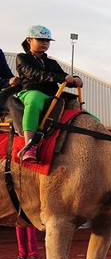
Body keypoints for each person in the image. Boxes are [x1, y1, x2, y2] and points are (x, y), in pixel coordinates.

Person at [14, 26, 81, 162]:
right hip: (31, 91)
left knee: (77, 107)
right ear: (29, 40)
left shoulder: (51, 62)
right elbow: (33, 73)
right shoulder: (22, 58)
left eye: (47, 41)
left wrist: (75, 79)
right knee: (34, 101)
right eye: (40, 39)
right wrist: (59, 77)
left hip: (53, 95)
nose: (45, 43)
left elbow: (63, 76)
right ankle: (30, 146)